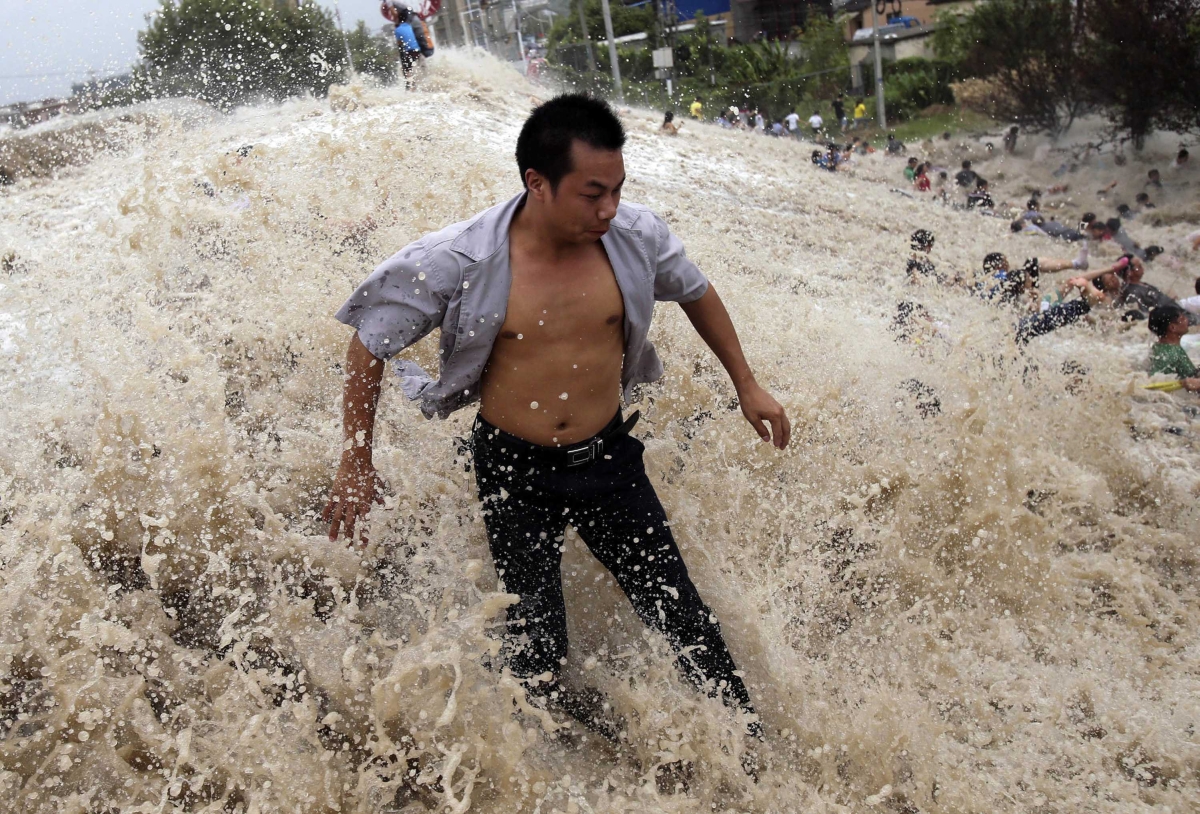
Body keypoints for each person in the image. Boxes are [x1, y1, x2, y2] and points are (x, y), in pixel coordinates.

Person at [326, 94, 788, 747]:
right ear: (536, 184)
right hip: (514, 469)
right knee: (538, 645)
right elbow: (368, 342)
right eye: (592, 193)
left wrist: (748, 383)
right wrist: (355, 460)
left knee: (681, 613)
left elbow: (696, 291)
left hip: (607, 463)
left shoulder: (632, 238)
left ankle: (753, 750)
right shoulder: (460, 258)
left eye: (618, 189)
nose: (609, 208)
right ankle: (553, 759)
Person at [1147, 306, 1200, 390]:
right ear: (1172, 328)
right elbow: (1192, 378)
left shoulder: (1158, 347)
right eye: (1182, 318)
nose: (1187, 320)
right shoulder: (1175, 352)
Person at [383, 2, 430, 90]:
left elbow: (400, 43)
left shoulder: (397, 30)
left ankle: (411, 85)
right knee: (421, 65)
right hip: (417, 50)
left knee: (407, 69)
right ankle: (427, 82)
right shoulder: (408, 26)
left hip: (410, 51)